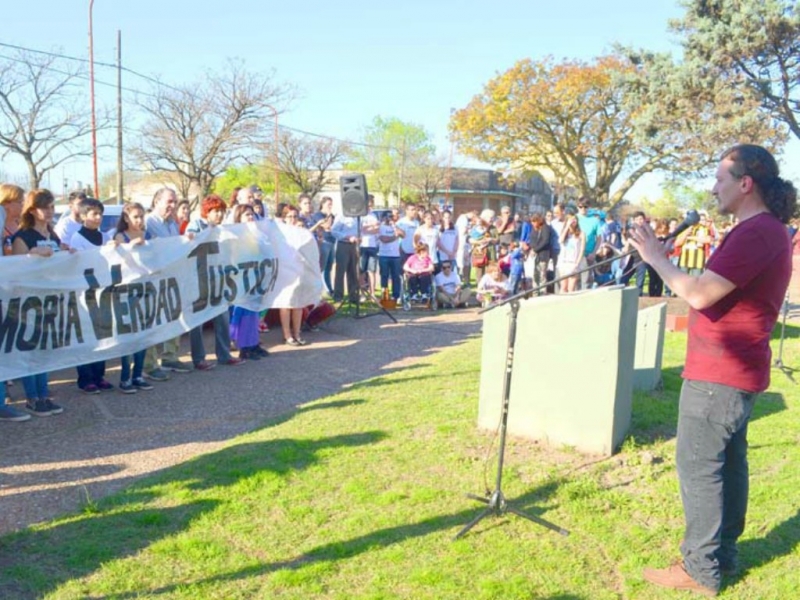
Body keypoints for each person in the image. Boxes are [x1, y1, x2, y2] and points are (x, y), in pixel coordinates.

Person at [632, 144, 796, 597]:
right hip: (731, 371)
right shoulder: (761, 230)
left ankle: (701, 569)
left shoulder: (756, 232)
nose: (713, 187)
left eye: (720, 179)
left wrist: (655, 258)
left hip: (719, 375)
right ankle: (722, 555)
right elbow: (712, 287)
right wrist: (665, 261)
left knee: (700, 468)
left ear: (746, 184)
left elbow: (701, 295)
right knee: (727, 465)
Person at [11, 189, 66, 417]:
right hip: (27, 301)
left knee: (44, 350)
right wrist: (32, 254)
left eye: (53, 207)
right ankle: (32, 398)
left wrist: (67, 254)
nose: (51, 211)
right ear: (33, 210)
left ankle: (44, 395)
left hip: (50, 299)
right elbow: (14, 270)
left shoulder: (53, 236)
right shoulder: (23, 236)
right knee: (29, 351)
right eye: (46, 207)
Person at [185, 195, 246, 369]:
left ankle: (224, 354)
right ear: (207, 211)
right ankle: (198, 359)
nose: (219, 215)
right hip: (198, 279)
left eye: (221, 211)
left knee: (222, 317)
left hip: (218, 279)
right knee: (197, 321)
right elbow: (188, 243)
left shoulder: (222, 229)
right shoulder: (196, 225)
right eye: (215, 211)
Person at [144, 188, 193, 375]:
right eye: (169, 202)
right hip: (153, 279)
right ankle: (149, 364)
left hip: (172, 277)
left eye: (175, 202)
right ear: (157, 201)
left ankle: (170, 356)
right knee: (152, 321)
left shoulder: (173, 224)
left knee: (174, 316)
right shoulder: (148, 223)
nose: (173, 206)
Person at [69, 198, 115, 393]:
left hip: (103, 292)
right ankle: (85, 377)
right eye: (94, 214)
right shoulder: (77, 239)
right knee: (86, 336)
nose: (98, 218)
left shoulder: (105, 237)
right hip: (85, 293)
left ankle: (99, 374)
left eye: (100, 213)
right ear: (83, 216)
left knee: (101, 335)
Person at [228, 204, 270, 360]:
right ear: (239, 217)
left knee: (254, 312)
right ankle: (244, 346)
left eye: (252, 214)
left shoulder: (257, 234)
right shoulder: (234, 235)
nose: (251, 217)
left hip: (256, 277)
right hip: (242, 279)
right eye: (247, 215)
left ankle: (253, 343)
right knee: (244, 312)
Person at [557, 214, 586, 293]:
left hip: (573, 262)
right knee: (563, 287)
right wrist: (567, 227)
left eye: (575, 219)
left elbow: (582, 250)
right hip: (563, 262)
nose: (574, 221)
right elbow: (560, 241)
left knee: (571, 288)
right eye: (571, 219)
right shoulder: (564, 232)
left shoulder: (581, 233)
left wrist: (577, 263)